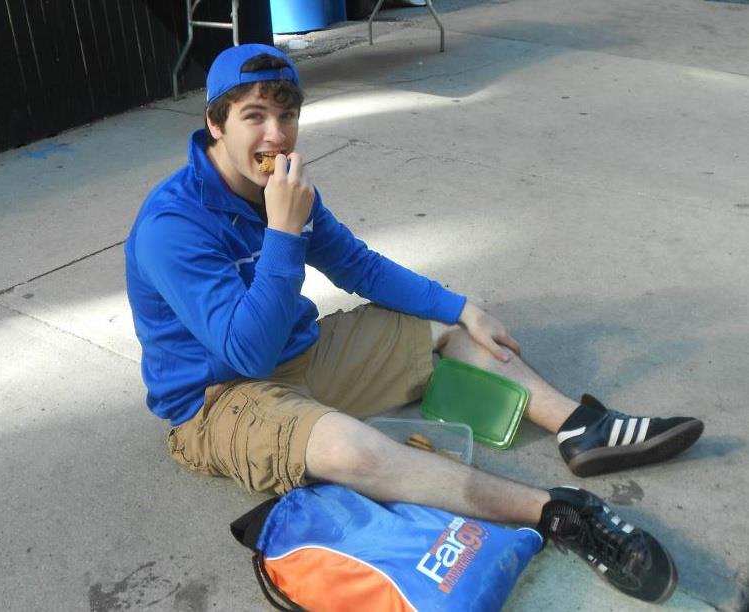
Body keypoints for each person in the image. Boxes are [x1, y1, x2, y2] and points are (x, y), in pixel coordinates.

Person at [124, 43, 703, 604]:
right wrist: (282, 232)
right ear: (216, 124)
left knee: (446, 330)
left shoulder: (285, 192)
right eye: (254, 116)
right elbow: (246, 353)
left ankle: (579, 427)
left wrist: (461, 308)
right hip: (217, 398)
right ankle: (557, 511)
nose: (276, 135)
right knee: (351, 451)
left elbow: (357, 266)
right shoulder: (172, 224)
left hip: (297, 352)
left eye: (287, 115)